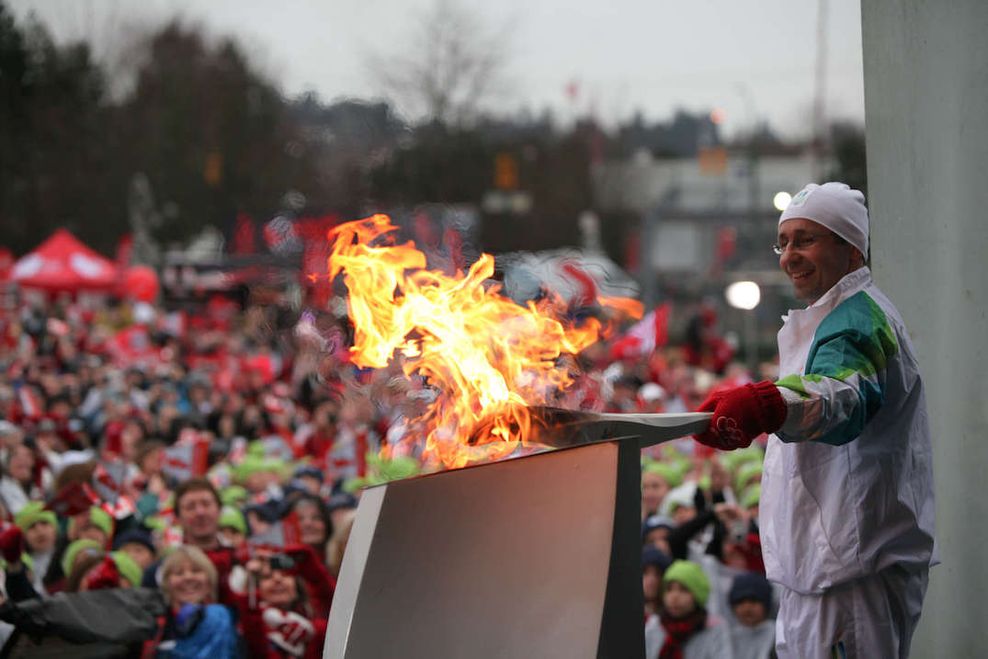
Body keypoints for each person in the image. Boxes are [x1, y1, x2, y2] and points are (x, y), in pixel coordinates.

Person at [693, 182, 936, 658]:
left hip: (851, 574)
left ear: (851, 249)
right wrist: (756, 402)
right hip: (826, 569)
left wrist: (767, 405)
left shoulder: (857, 321)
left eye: (806, 240)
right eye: (783, 243)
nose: (789, 256)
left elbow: (841, 397)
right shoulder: (831, 317)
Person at [644, 559, 732, 659]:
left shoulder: (714, 629)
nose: (674, 596)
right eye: (669, 589)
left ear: (697, 595)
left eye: (683, 590)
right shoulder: (654, 626)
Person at [727, 572, 775, 659]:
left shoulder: (778, 635)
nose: (747, 608)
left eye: (753, 601)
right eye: (740, 602)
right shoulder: (727, 638)